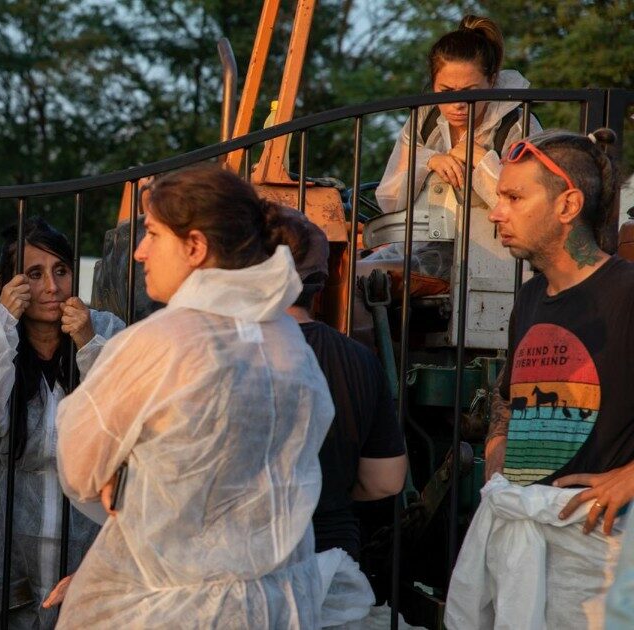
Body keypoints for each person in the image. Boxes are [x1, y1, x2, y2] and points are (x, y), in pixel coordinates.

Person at [54, 165, 333, 626]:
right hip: (276, 605)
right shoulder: (287, 342)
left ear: (196, 246)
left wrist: (124, 474)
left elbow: (81, 469)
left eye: (153, 234)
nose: (141, 252)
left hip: (163, 607)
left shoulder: (161, 341)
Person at [445, 128, 626, 629]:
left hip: (599, 558)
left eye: (513, 197)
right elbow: (511, 390)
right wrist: (498, 447)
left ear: (568, 204)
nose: (496, 212)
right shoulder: (527, 298)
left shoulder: (627, 293)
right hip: (525, 543)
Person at [0, 217, 124, 628]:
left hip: (85, 529)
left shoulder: (106, 331)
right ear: (8, 285)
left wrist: (86, 344)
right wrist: (2, 326)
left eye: (60, 271)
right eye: (34, 274)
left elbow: (123, 415)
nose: (51, 287)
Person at [279, 208, 409, 626]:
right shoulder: (359, 359)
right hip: (333, 567)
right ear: (325, 278)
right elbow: (386, 481)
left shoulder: (228, 352)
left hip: (249, 568)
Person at [373, 15, 541, 278]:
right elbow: (390, 197)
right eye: (446, 91)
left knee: (363, 277)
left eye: (470, 91)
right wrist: (428, 160)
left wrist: (481, 160)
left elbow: (532, 209)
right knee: (352, 274)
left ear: (493, 81)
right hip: (419, 249)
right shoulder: (424, 119)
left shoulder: (517, 127)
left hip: (497, 265)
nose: (458, 104)